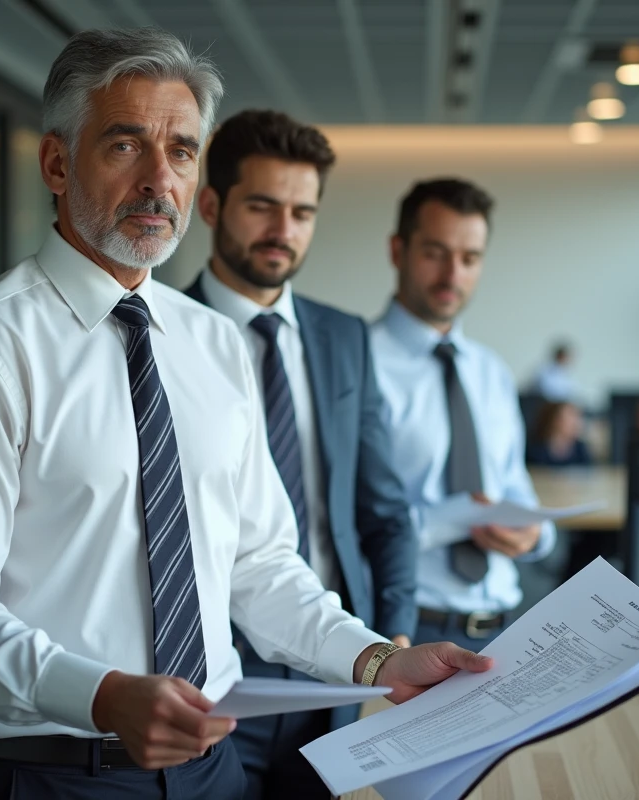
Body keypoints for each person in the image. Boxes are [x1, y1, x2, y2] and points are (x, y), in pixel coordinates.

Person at [0, 28, 490, 800]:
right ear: (57, 163)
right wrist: (101, 693)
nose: (158, 181)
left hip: (213, 770)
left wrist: (375, 660)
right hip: (48, 776)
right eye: (125, 146)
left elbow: (260, 565)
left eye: (180, 151)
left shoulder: (211, 342)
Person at [183, 109, 417, 800]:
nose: (284, 231)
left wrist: (393, 632)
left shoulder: (344, 338)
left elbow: (385, 507)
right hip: (213, 670)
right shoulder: (159, 339)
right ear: (210, 205)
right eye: (262, 206)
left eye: (303, 212)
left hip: (332, 662)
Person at [369, 178, 556, 654]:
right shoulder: (358, 365)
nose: (453, 274)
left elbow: (515, 486)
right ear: (398, 251)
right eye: (435, 252)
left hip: (507, 625)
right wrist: (454, 518)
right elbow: (349, 526)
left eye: (470, 258)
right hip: (410, 630)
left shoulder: (490, 370)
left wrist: (535, 534)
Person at [526, 402, 591, 468]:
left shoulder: (581, 450)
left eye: (577, 418)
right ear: (555, 420)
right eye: (570, 417)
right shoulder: (536, 451)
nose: (576, 423)